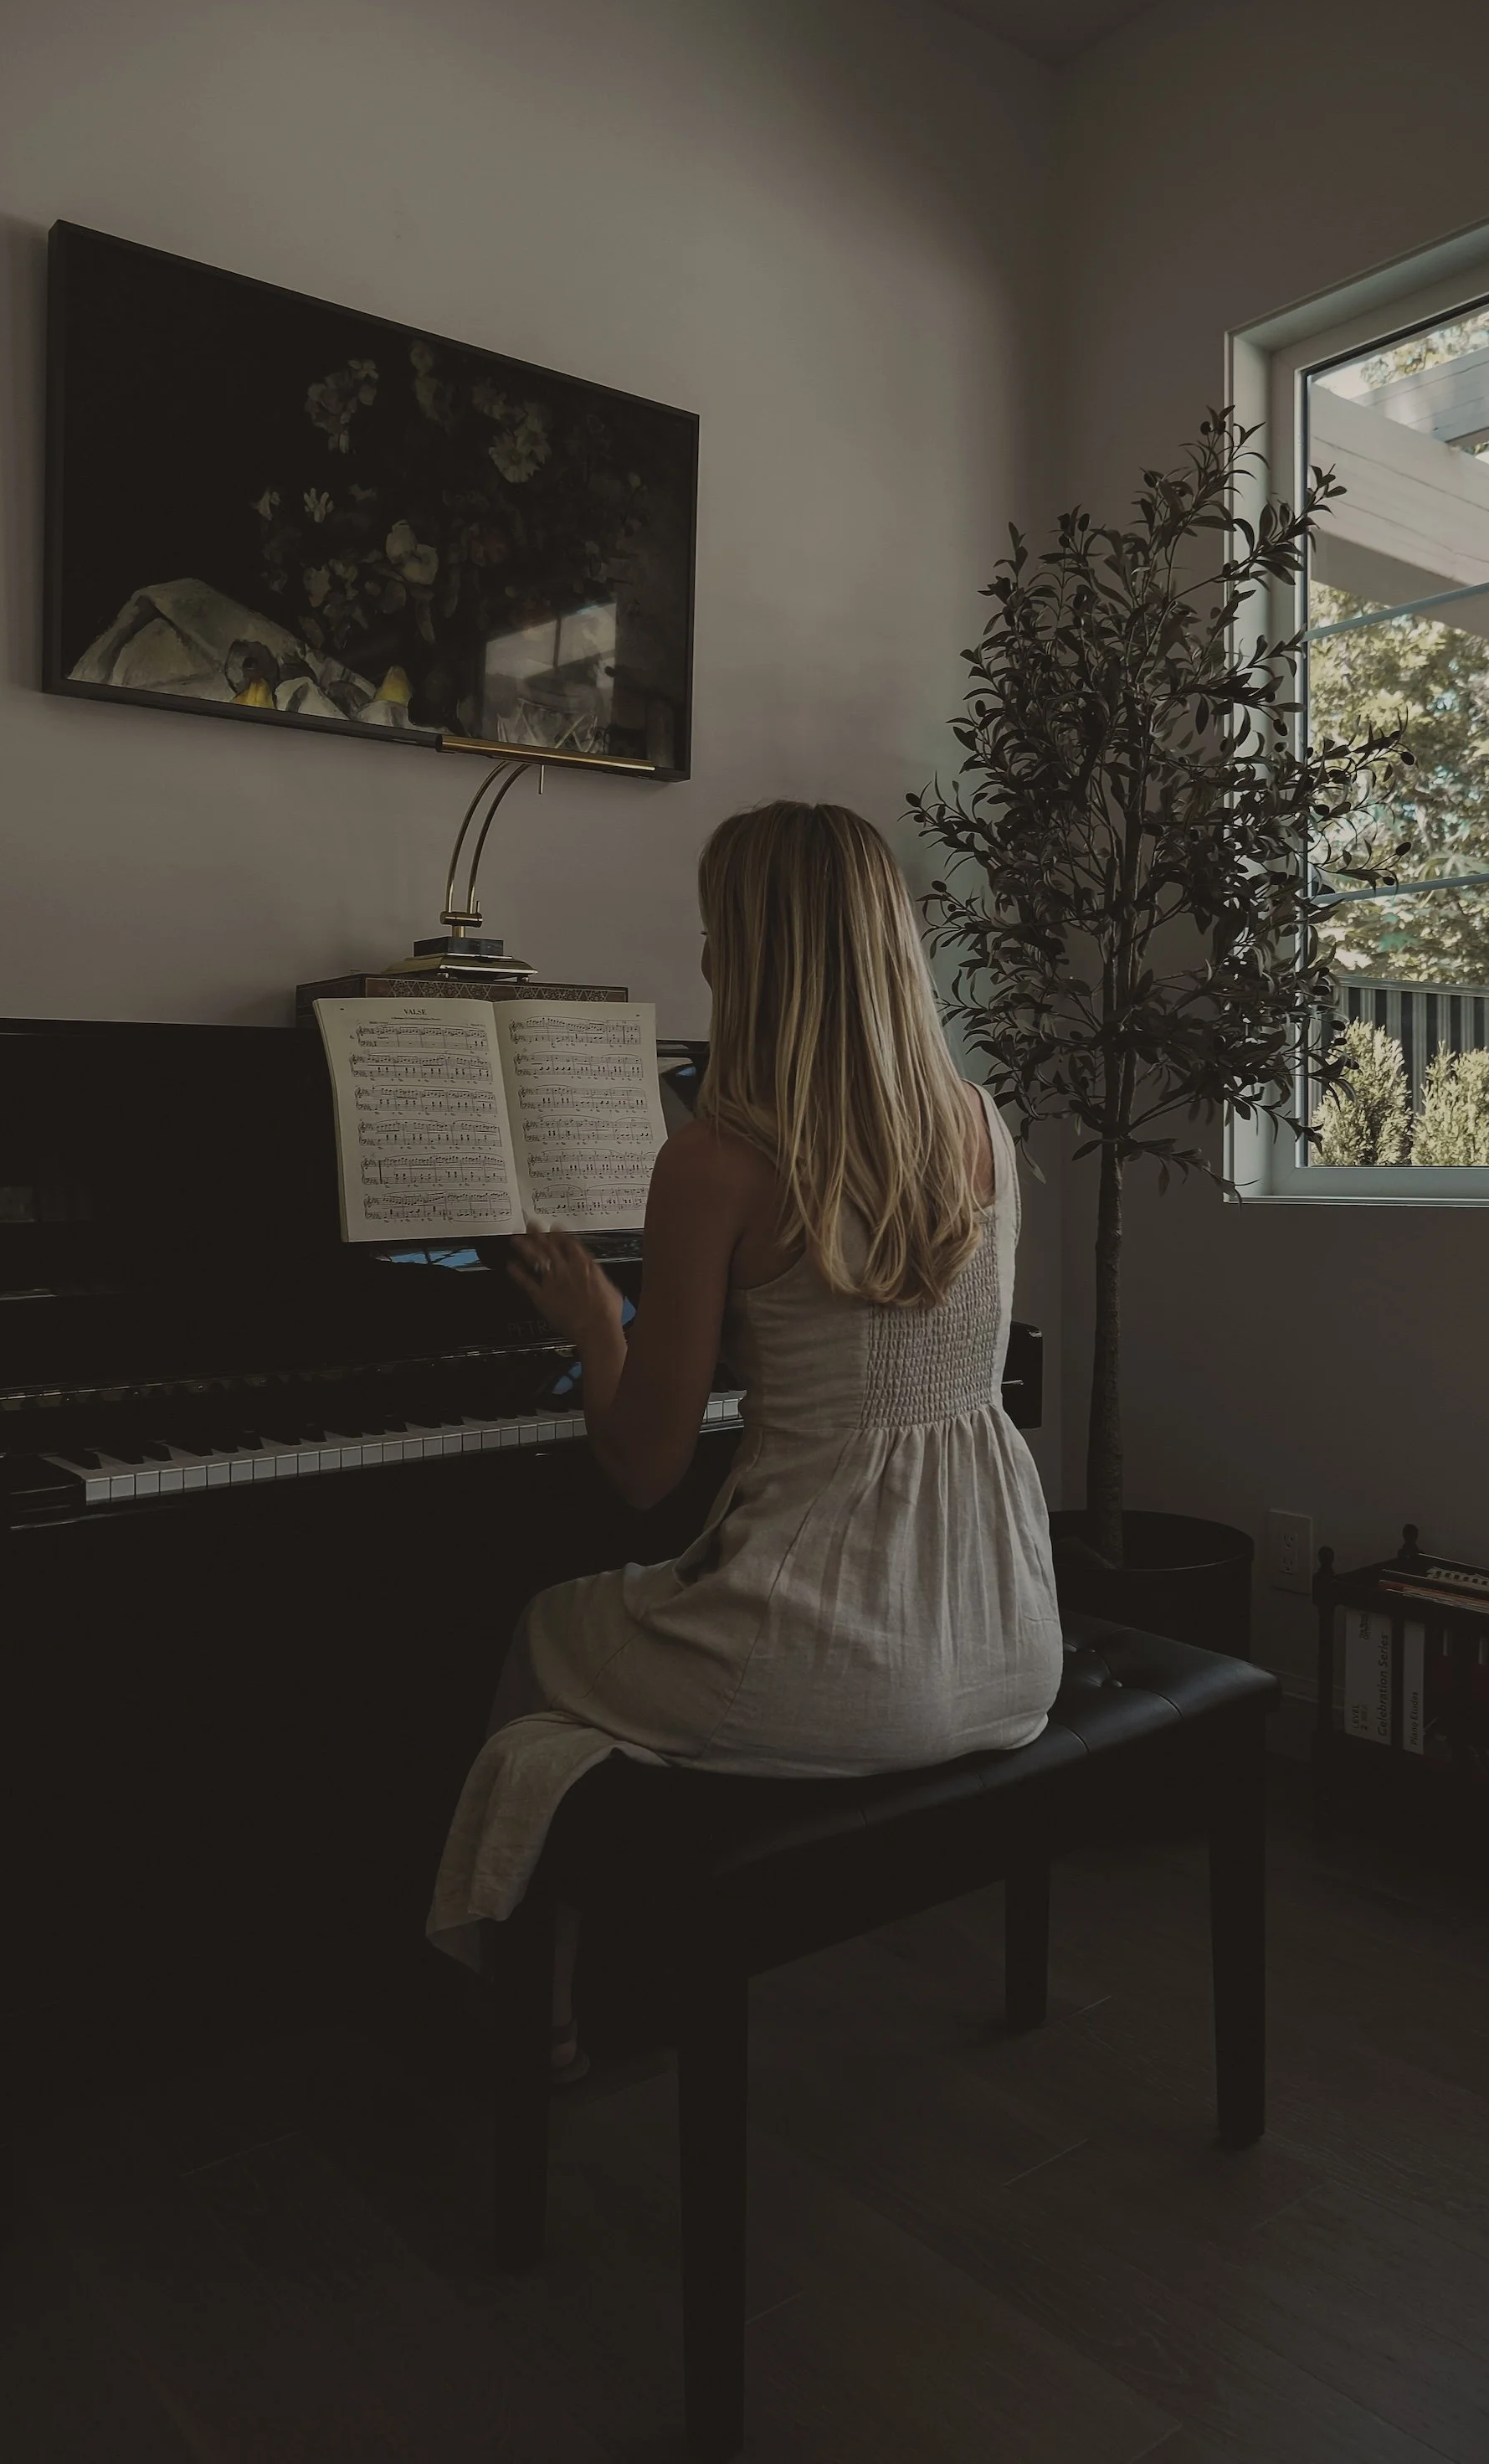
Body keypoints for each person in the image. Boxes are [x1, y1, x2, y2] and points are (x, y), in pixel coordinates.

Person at [426, 801, 1064, 2071]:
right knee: (604, 1630)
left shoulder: (716, 1160)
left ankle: (527, 2012)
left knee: (542, 1629)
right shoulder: (983, 1124)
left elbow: (644, 1470)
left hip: (828, 1669)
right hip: (1005, 1639)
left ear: (762, 956)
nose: (707, 959)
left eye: (719, 932)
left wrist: (595, 1318)